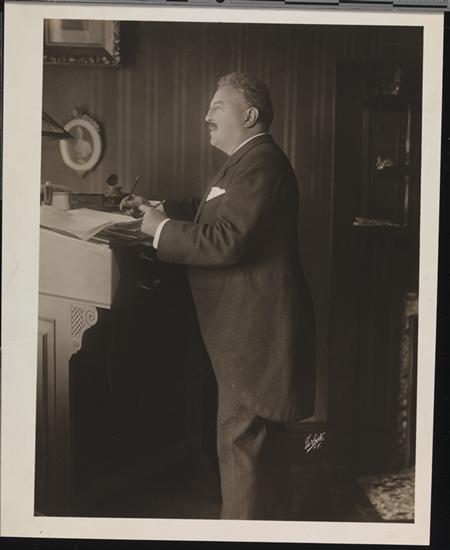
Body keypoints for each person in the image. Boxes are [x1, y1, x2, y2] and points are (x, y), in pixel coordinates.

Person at [121, 72, 316, 520]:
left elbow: (227, 240)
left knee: (239, 442)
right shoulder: (249, 160)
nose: (206, 115)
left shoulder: (260, 163)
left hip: (253, 330)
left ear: (249, 116)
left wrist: (160, 230)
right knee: (257, 443)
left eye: (217, 106)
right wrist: (162, 210)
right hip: (249, 326)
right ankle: (274, 528)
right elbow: (217, 209)